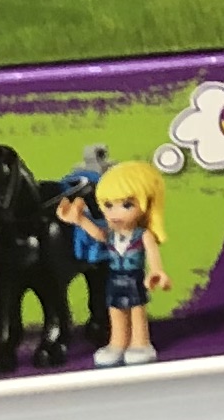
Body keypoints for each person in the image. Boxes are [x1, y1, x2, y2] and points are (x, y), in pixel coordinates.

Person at [53, 157, 165, 368]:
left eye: (126, 205)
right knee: (115, 312)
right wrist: (79, 220)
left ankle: (141, 343)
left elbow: (152, 254)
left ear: (146, 203)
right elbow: (98, 234)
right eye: (108, 205)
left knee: (136, 311)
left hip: (133, 278)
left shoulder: (142, 235)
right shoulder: (112, 235)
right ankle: (117, 343)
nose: (114, 213)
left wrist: (157, 272)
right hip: (114, 279)